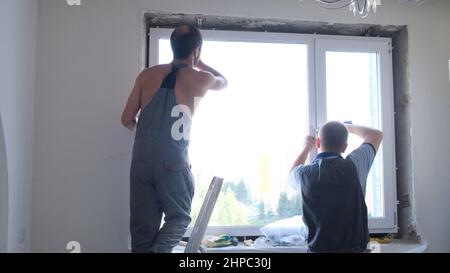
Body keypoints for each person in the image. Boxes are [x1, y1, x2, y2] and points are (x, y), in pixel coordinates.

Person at [121, 25, 227, 253]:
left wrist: (147, 135)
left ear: (172, 47)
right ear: (196, 50)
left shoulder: (147, 75)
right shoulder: (201, 78)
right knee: (179, 217)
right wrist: (200, 63)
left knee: (142, 227)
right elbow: (224, 81)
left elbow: (126, 119)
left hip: (141, 155)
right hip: (173, 155)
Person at [290, 121, 383, 253]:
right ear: (344, 147)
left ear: (318, 143)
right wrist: (347, 127)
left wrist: (306, 147)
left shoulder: (303, 174)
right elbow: (376, 135)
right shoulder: (354, 166)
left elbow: (292, 174)